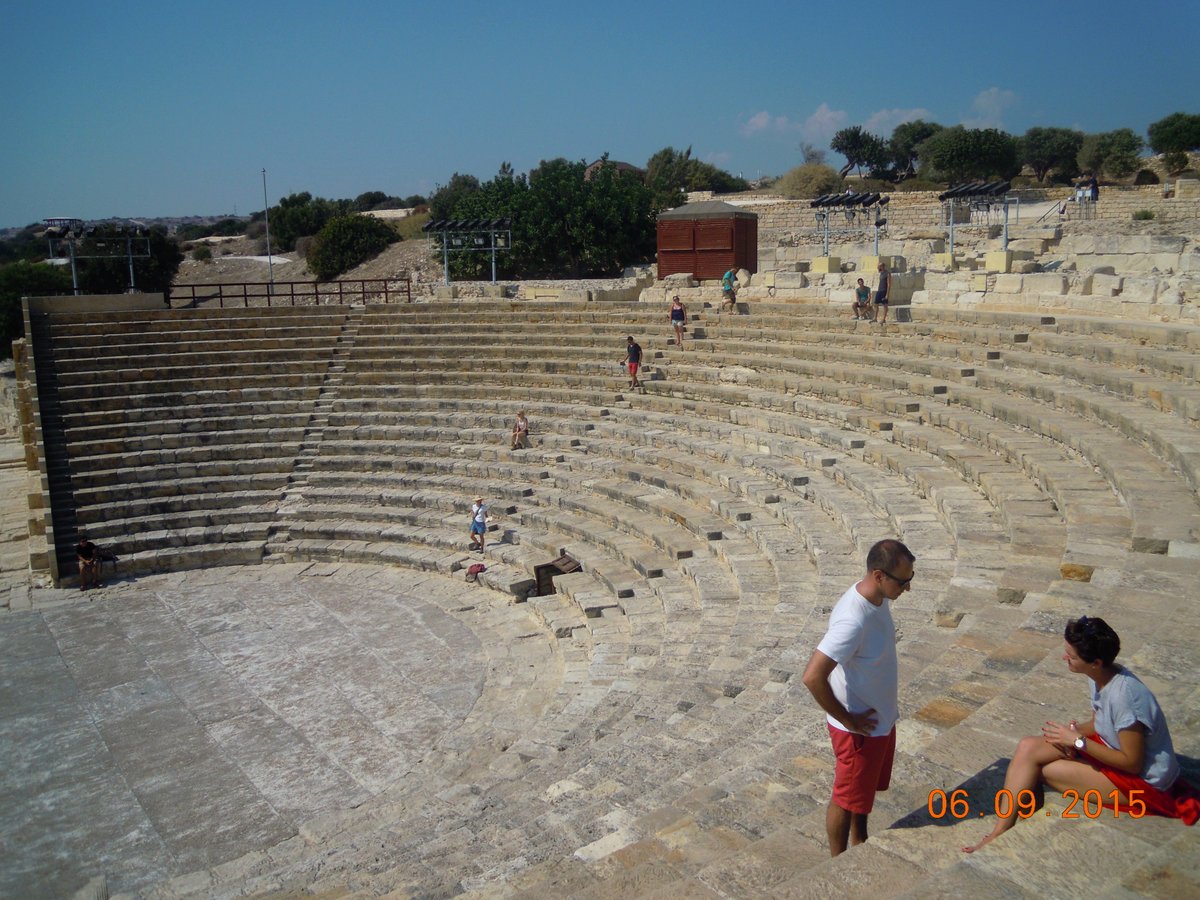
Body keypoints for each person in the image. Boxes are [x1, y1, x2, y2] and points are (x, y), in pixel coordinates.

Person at [963, 616, 1199, 853]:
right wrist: (1075, 733)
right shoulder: (1102, 676)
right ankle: (1001, 828)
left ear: (1095, 662)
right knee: (1027, 747)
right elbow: (1100, 722)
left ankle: (1003, 827)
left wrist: (1077, 742)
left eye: (1072, 656)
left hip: (1143, 784)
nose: (1065, 658)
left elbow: (1132, 763)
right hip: (1112, 750)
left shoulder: (1124, 698)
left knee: (1043, 770)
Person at [802, 539, 915, 856]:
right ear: (879, 576)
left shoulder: (877, 597)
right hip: (858, 731)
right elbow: (812, 676)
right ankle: (839, 861)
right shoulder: (853, 620)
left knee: (860, 795)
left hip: (878, 722)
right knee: (845, 797)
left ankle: (859, 841)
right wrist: (848, 719)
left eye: (910, 578)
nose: (907, 588)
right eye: (902, 581)